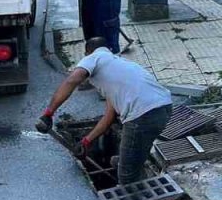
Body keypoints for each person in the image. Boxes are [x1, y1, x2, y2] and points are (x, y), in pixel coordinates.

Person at [35, 37, 172, 185]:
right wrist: (86, 141)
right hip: (164, 108)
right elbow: (109, 117)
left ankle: (140, 199)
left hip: (141, 115)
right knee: (128, 160)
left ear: (87, 52)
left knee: (126, 177)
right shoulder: (119, 64)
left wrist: (48, 114)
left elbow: (72, 81)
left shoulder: (94, 57)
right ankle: (131, 169)